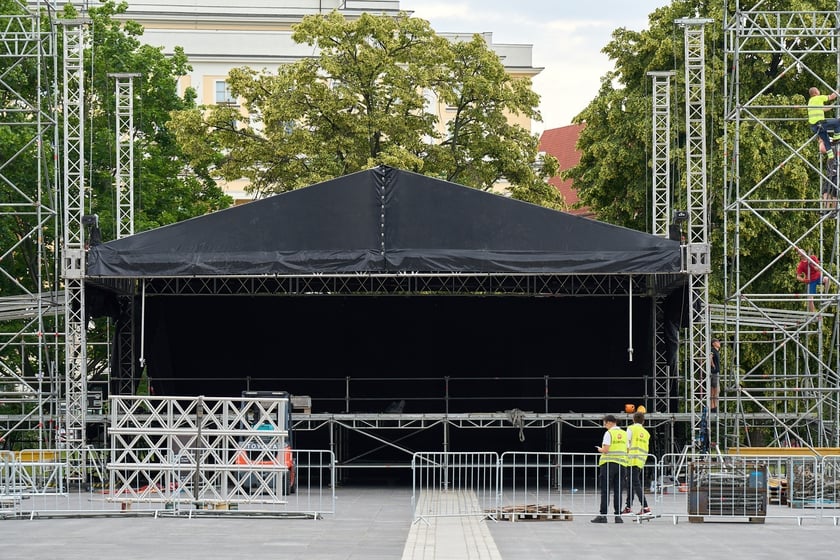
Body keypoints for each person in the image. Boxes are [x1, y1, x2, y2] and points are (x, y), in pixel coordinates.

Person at [591, 414, 627, 524]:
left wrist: (599, 449)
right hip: (621, 464)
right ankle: (618, 516)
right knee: (618, 491)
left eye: (605, 423)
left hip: (608, 464)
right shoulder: (624, 433)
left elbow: (606, 450)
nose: (604, 425)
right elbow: (627, 449)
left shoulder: (609, 433)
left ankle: (603, 516)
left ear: (610, 422)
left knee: (605, 490)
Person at [621, 411, 651, 516]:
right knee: (631, 483)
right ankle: (628, 507)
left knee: (635, 483)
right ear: (643, 421)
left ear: (633, 419)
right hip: (640, 460)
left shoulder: (631, 429)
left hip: (630, 459)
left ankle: (645, 507)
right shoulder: (646, 433)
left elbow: (626, 444)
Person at [808, 87, 840, 158]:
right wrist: (838, 89)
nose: (819, 91)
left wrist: (832, 106)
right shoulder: (819, 98)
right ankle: (836, 137)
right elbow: (832, 96)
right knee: (838, 122)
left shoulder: (810, 101)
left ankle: (831, 157)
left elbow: (823, 109)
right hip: (820, 123)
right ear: (816, 92)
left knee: (826, 141)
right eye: (818, 90)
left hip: (814, 127)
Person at [709, 338, 721, 413]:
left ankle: (713, 407)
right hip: (714, 372)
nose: (719, 343)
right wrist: (712, 365)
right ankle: (713, 407)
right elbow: (710, 357)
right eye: (717, 342)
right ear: (713, 343)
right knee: (714, 391)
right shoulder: (713, 350)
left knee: (715, 391)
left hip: (715, 372)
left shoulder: (716, 351)